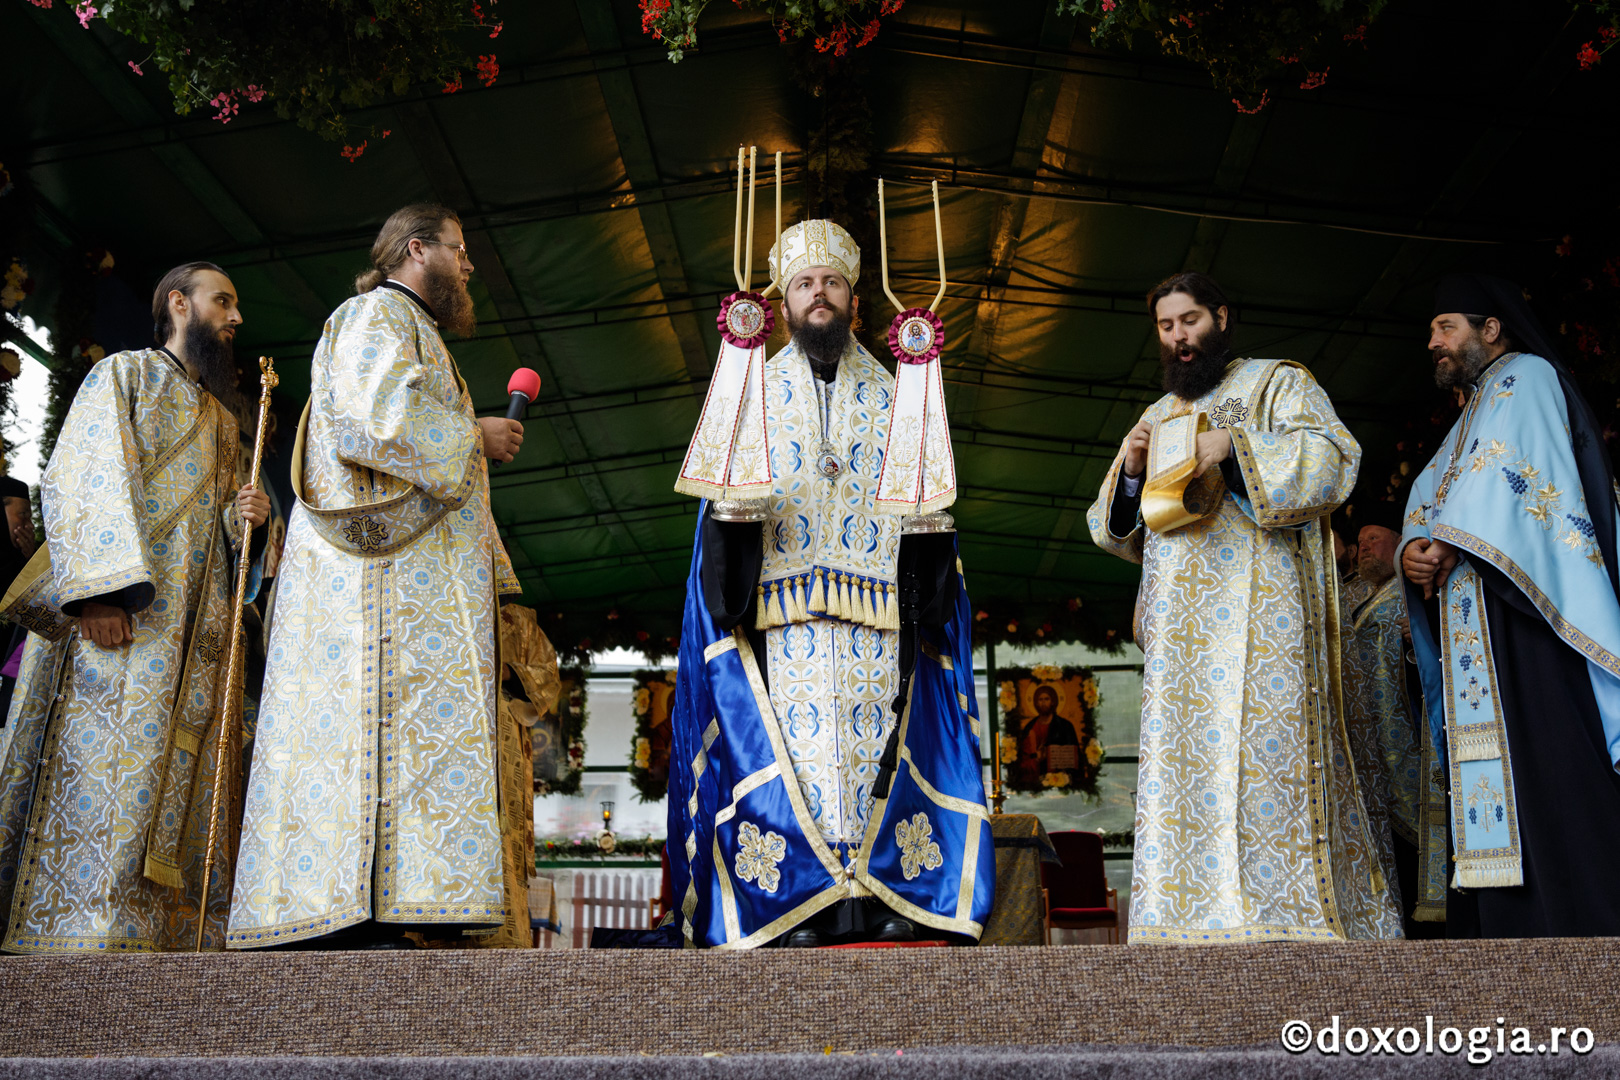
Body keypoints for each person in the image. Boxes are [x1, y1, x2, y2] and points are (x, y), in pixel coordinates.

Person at [666, 219, 992, 948]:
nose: (820, 295)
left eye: (833, 283)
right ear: (783, 303)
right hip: (785, 625)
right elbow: (719, 513)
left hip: (878, 620)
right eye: (806, 284)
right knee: (799, 767)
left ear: (853, 299)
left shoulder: (895, 390)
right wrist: (734, 524)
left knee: (875, 758)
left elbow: (928, 506)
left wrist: (922, 583)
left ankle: (881, 899)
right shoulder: (751, 388)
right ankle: (805, 907)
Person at [227, 204, 526, 949]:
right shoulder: (373, 316)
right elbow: (370, 420)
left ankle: (410, 900)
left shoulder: (413, 329)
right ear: (416, 248)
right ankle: (368, 904)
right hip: (374, 596)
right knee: (375, 738)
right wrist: (472, 434)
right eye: (459, 250)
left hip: (414, 583)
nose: (468, 266)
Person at [1087, 270, 1399, 943]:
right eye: (1167, 328)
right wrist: (1134, 471)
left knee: (1273, 763)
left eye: (1190, 321)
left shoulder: (1278, 384)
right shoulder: (1155, 415)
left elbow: (1334, 458)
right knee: (1187, 770)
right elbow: (1110, 528)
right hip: (1182, 642)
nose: (1179, 338)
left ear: (1221, 319)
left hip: (1267, 625)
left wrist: (1235, 450)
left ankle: (1283, 920)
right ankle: (1186, 920)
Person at [0, 262, 269, 953]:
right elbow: (84, 476)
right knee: (110, 776)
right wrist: (98, 595)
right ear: (179, 303)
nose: (235, 318)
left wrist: (249, 522)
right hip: (125, 619)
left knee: (171, 784)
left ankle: (164, 937)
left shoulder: (221, 418)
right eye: (223, 301)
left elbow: (216, 534)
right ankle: (79, 932)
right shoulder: (122, 375)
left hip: (192, 637)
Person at [1400, 273, 1620, 937]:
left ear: (1490, 330)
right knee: (1507, 777)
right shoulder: (1474, 408)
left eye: (1446, 328)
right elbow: (1432, 486)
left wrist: (1441, 538)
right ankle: (1518, 935)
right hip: (1482, 622)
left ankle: (1586, 931)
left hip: (1527, 612)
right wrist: (1415, 542)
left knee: (1550, 762)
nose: (1433, 342)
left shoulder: (1525, 377)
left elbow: (1501, 474)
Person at [1344, 493, 1446, 937]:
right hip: (1375, 753)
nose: (1365, 546)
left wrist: (1418, 636)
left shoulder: (1417, 590)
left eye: (1375, 538)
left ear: (1402, 542)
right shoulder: (1360, 597)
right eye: (1361, 541)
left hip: (1413, 747)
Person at [1013, 685, 1079, 786]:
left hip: (1059, 777)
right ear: (1035, 702)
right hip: (1034, 777)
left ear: (1053, 701)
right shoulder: (1030, 727)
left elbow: (1074, 756)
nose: (1043, 703)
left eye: (1047, 699)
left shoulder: (1065, 726)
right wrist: (1035, 758)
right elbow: (1023, 756)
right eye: (1040, 699)